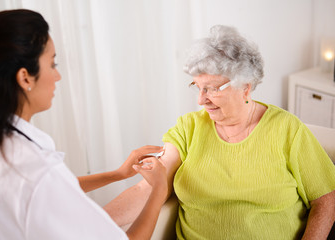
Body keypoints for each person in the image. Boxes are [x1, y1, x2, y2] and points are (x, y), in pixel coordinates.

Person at [103, 25, 335, 239]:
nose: (202, 100)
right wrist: (89, 222)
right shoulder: (188, 128)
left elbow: (326, 199)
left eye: (212, 89)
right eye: (198, 87)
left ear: (245, 87)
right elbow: (147, 189)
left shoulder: (287, 129)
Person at [0, 9, 168, 240]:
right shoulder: (34, 170)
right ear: (25, 77)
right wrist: (159, 191)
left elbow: (50, 193)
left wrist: (117, 174)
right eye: (52, 64)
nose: (57, 76)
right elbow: (43, 187)